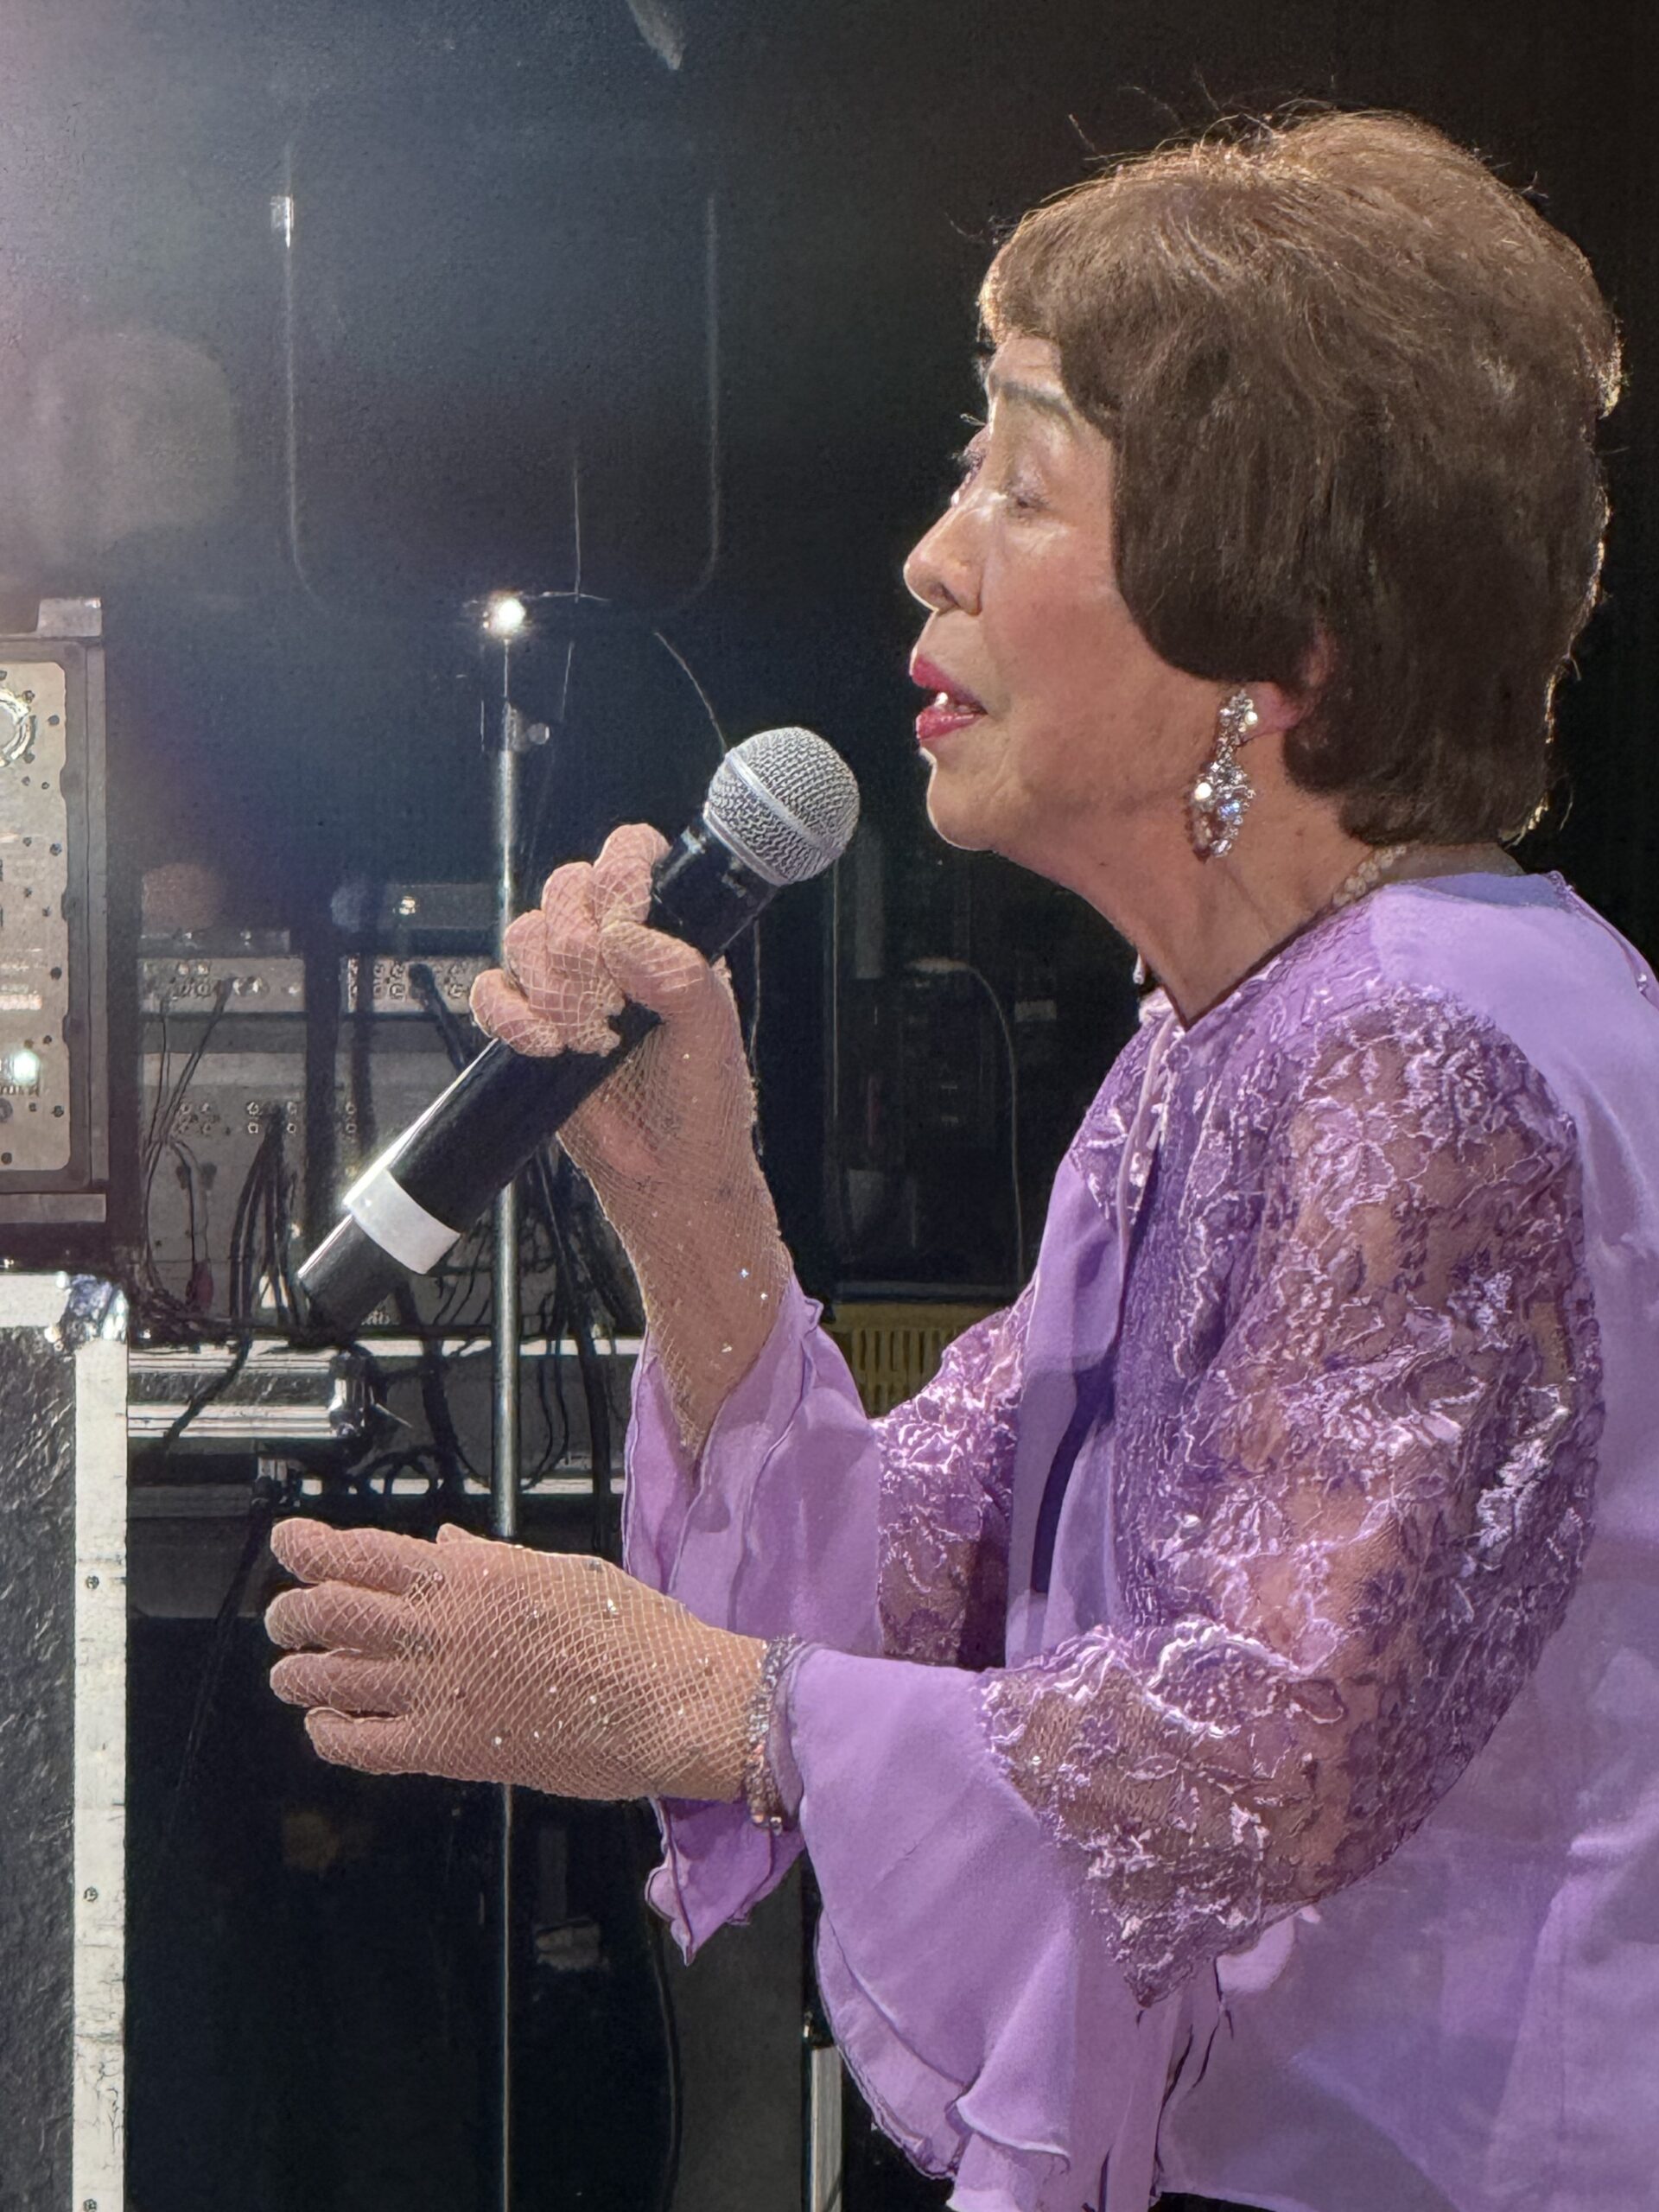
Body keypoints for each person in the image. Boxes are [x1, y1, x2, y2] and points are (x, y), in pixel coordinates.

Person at [265, 111, 1659, 2212]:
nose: (933, 553)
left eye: (1022, 479)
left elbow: (1269, 1753)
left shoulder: (1425, 1042)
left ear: (1285, 638)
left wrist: (705, 1703)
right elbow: (918, 1577)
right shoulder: (1229, 1040)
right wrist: (692, 1199)